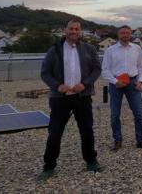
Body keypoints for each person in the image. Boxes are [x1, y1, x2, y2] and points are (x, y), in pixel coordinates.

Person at [39, 20, 102, 180]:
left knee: (87, 130)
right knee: (55, 133)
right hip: (60, 99)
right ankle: (48, 166)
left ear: (80, 31)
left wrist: (85, 84)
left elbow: (97, 69)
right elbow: (45, 73)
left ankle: (91, 161)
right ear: (65, 30)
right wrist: (57, 85)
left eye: (76, 29)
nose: (73, 31)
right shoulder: (54, 50)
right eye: (71, 28)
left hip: (82, 97)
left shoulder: (89, 49)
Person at [101, 25, 142, 151]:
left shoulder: (137, 48)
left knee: (139, 114)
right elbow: (105, 70)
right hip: (116, 84)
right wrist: (114, 81)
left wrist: (140, 81)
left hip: (133, 83)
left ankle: (140, 140)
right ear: (118, 35)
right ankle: (117, 140)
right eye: (123, 33)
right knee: (114, 115)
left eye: (127, 33)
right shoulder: (110, 50)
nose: (125, 35)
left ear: (131, 34)